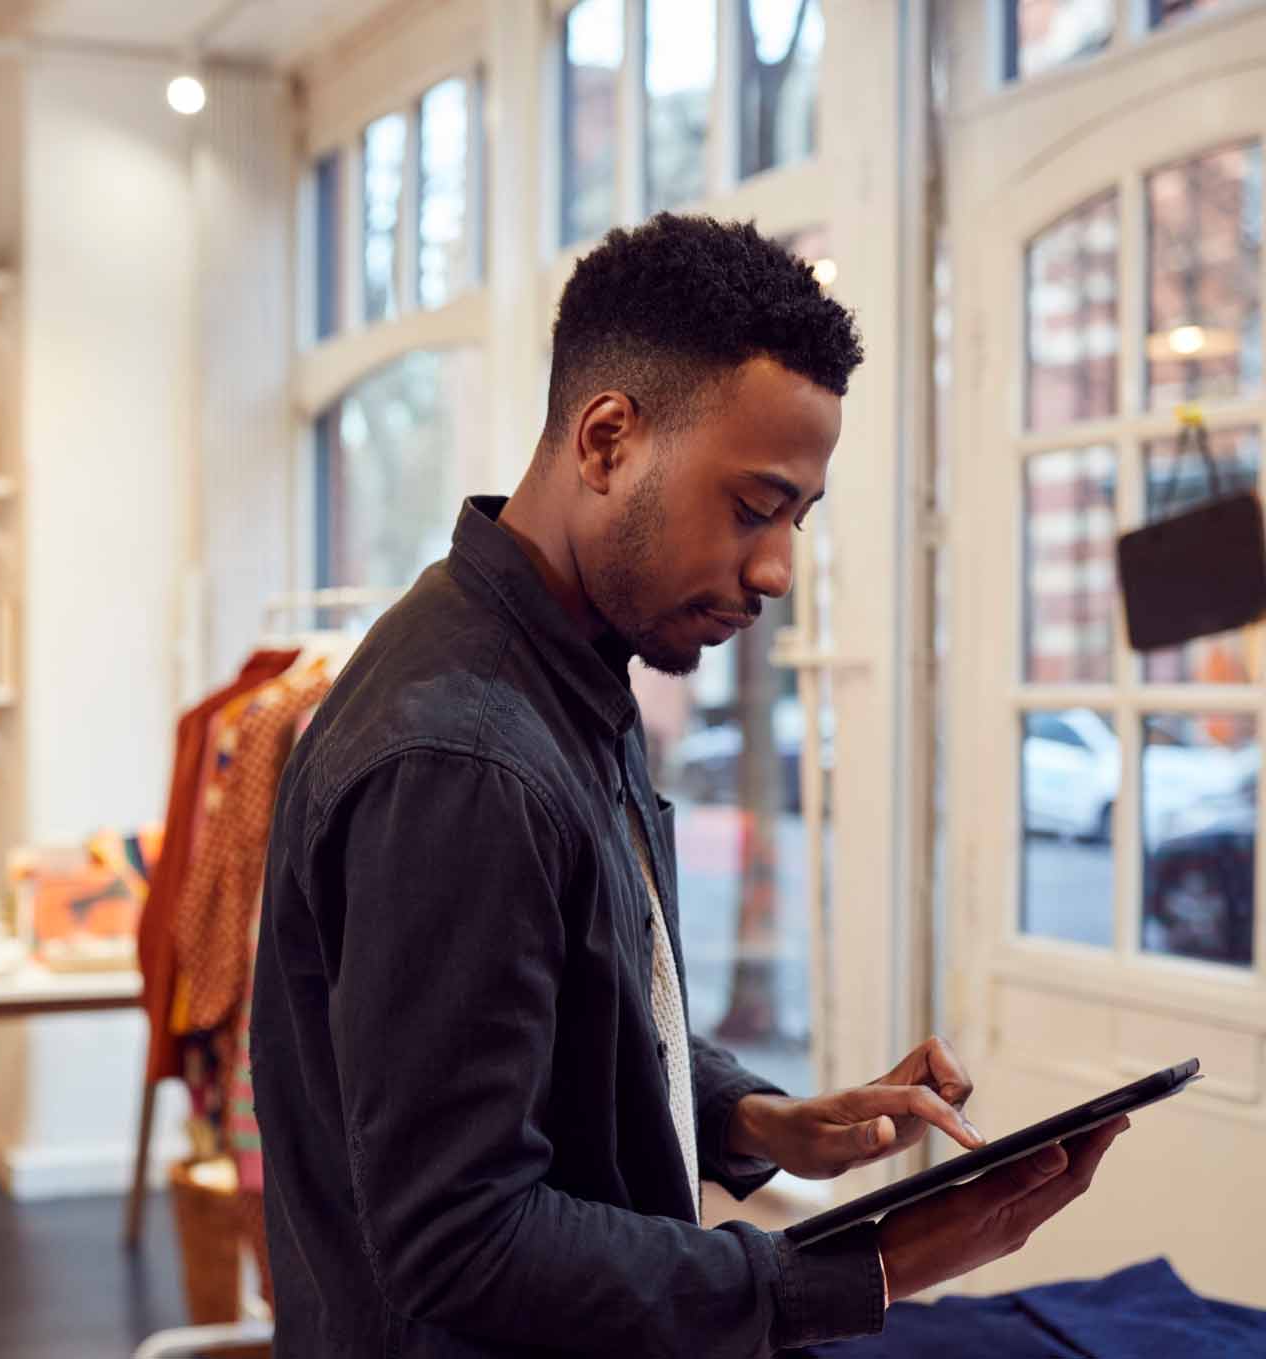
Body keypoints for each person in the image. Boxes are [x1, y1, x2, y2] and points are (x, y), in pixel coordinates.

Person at [249, 214, 1129, 1357]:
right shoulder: (463, 760)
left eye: (796, 522)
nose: (774, 571)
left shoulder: (566, 680)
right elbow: (456, 1240)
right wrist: (867, 1267)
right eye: (753, 508)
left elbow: (559, 1021)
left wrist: (749, 1116)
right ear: (606, 441)